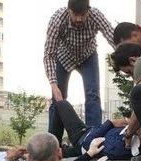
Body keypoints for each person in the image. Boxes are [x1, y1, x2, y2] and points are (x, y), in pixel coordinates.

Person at [43, 0, 115, 142]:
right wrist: (53, 84)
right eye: (75, 14)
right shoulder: (57, 20)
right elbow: (49, 54)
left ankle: (93, 138)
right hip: (64, 56)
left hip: (88, 56)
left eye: (83, 15)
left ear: (88, 10)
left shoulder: (95, 16)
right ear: (68, 10)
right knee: (58, 99)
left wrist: (124, 54)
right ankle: (54, 142)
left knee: (93, 94)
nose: (79, 19)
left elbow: (111, 35)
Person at [51, 100, 141, 161]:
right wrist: (128, 125)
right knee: (60, 103)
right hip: (88, 130)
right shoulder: (132, 129)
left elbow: (90, 143)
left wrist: (110, 124)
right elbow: (119, 122)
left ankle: (54, 145)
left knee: (61, 104)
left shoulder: (122, 148)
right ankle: (58, 144)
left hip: (81, 139)